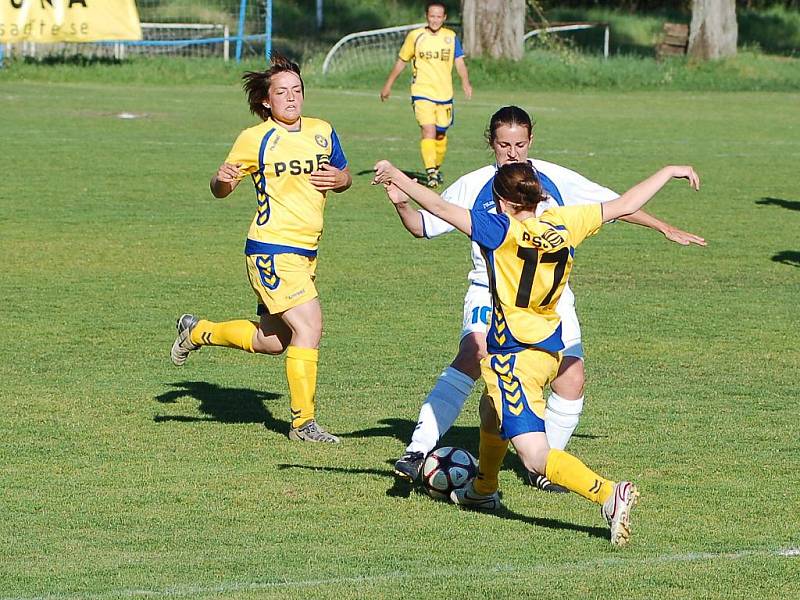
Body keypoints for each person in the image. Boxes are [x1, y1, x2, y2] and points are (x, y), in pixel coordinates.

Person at [373, 159, 701, 546]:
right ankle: (483, 488)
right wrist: (666, 171)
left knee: (534, 456)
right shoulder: (565, 221)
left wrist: (397, 179)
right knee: (490, 411)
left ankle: (608, 494)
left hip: (514, 356)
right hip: (550, 350)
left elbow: (442, 209)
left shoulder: (500, 230)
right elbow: (626, 203)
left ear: (501, 200)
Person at [170, 53, 352, 443]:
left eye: (297, 90)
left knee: (276, 341)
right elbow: (222, 190)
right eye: (282, 92)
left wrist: (340, 179)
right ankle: (303, 424)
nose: (291, 98)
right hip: (271, 249)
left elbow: (344, 175)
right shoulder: (254, 139)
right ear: (267, 101)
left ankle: (198, 331)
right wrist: (220, 179)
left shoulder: (323, 130)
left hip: (307, 252)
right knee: (310, 327)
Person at [380, 1, 472, 189]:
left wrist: (465, 82)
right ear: (426, 16)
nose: (435, 20)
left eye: (439, 16)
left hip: (445, 94)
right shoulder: (416, 36)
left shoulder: (451, 37)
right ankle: (430, 171)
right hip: (421, 92)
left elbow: (459, 63)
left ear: (444, 18)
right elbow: (401, 61)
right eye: (432, 16)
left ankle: (435, 168)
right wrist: (388, 85)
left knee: (440, 134)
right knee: (428, 130)